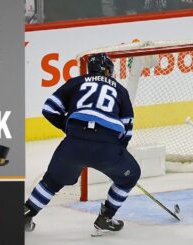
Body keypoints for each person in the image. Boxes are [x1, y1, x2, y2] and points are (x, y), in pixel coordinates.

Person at [24, 53, 141, 233]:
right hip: (106, 147)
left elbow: (49, 109)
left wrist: (70, 129)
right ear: (108, 70)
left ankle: (26, 213)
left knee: (52, 181)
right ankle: (106, 218)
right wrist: (118, 151)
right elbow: (127, 130)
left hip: (73, 144)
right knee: (130, 176)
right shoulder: (120, 90)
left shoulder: (77, 82)